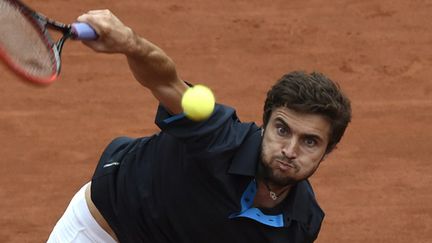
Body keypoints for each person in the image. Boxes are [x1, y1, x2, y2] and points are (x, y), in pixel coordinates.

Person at [47, 9, 352, 243]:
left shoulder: (301, 222)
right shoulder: (218, 138)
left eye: (310, 141)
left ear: (328, 150)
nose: (289, 149)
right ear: (264, 125)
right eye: (282, 130)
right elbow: (165, 81)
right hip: (104, 232)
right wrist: (131, 43)